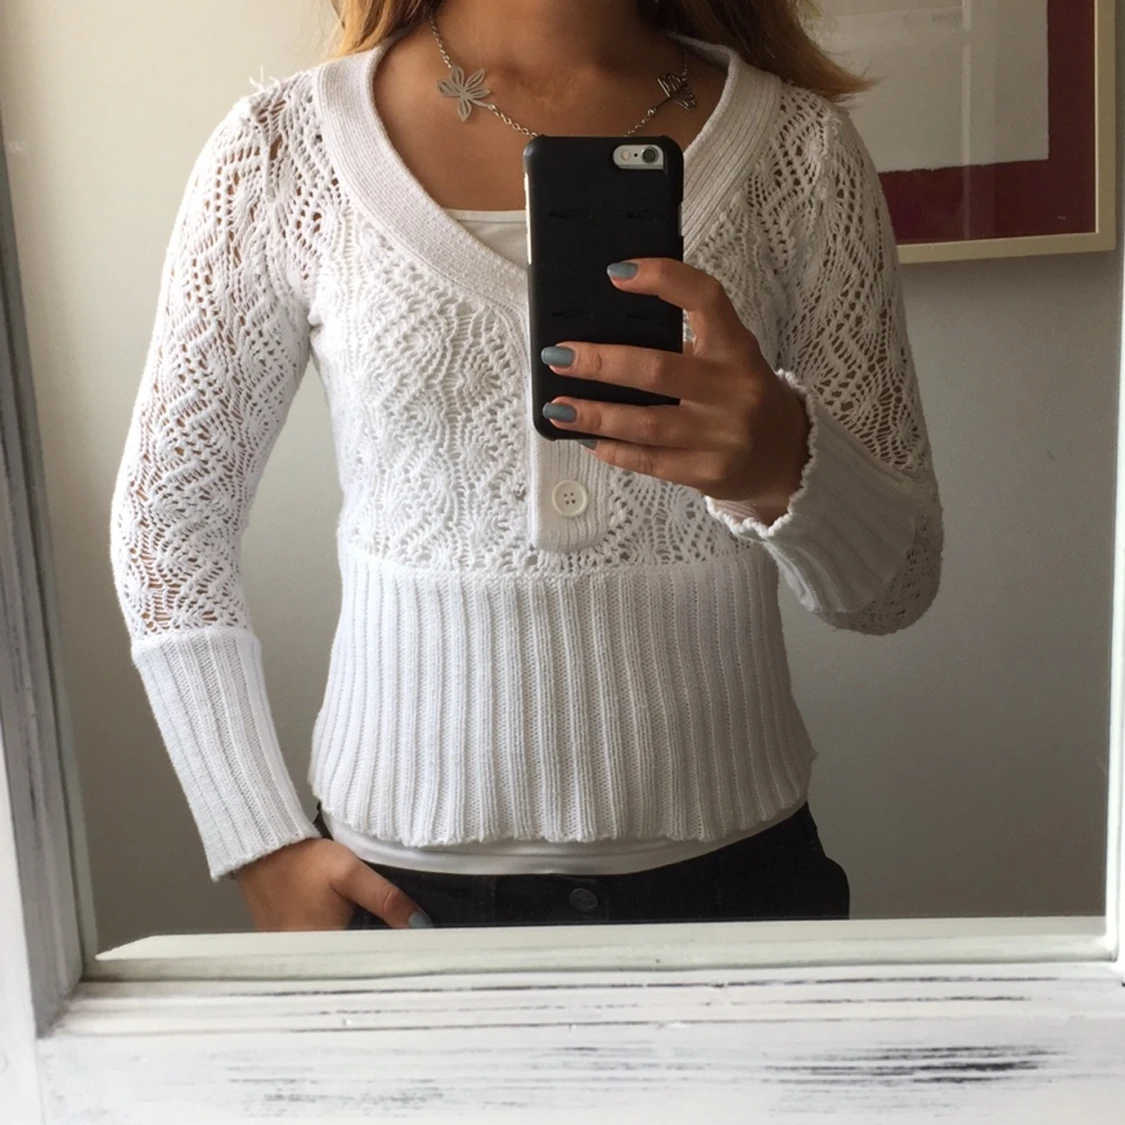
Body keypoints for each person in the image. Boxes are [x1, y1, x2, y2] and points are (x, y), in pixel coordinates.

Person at [109, 0, 942, 933]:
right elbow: (166, 522)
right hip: (403, 892)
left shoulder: (799, 151)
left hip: (737, 886)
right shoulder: (285, 149)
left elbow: (895, 587)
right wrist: (258, 839)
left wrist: (783, 464)